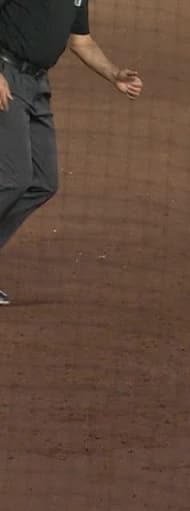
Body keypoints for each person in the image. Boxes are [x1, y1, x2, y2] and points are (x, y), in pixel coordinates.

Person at [0, 0, 143, 305]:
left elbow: (81, 40)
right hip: (5, 76)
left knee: (43, 181)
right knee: (14, 177)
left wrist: (113, 73)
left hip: (37, 85)